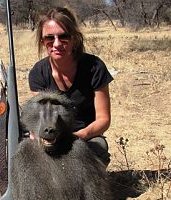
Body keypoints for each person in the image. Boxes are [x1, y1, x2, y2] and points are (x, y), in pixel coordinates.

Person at [28, 7, 113, 166]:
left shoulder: (95, 67)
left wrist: (80, 135)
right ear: (42, 41)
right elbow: (40, 118)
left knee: (98, 147)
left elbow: (104, 120)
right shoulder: (38, 72)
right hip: (51, 135)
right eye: (49, 38)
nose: (57, 43)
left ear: (74, 38)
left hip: (84, 136)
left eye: (64, 36)